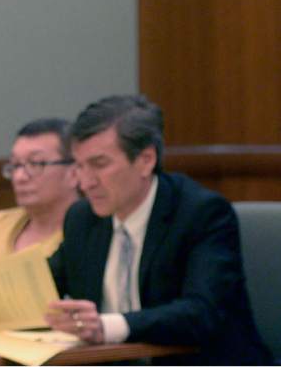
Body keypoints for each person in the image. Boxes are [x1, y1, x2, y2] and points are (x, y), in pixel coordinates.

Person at [45, 95, 270, 365]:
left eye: (99, 164)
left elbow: (201, 312)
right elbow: (46, 282)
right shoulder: (83, 218)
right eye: (79, 166)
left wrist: (109, 326)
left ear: (146, 160)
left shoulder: (200, 213)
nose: (85, 182)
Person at [0, 118, 77, 270]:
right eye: (15, 165)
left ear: (75, 172)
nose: (19, 177)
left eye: (36, 163)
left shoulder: (86, 236)